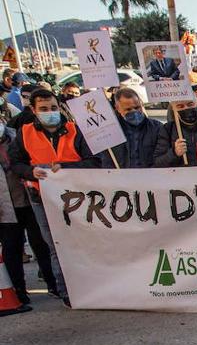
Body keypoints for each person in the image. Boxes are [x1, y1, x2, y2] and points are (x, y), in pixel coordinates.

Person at [9, 88, 99, 303]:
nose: (50, 112)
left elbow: (93, 161)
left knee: (85, 243)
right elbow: (16, 163)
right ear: (33, 110)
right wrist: (31, 172)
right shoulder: (25, 133)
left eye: (53, 108)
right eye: (44, 109)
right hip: (42, 198)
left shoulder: (75, 131)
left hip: (78, 198)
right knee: (56, 245)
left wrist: (66, 168)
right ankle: (67, 291)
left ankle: (93, 286)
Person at [0, 114, 57, 305]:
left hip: (30, 200)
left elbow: (21, 164)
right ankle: (18, 291)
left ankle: (53, 284)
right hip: (5, 208)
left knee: (43, 244)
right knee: (12, 249)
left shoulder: (17, 137)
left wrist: (29, 173)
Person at [108, 87, 160, 168]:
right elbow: (106, 160)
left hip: (150, 177)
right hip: (121, 178)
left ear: (141, 104)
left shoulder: (156, 127)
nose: (134, 112)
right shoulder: (109, 131)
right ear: (118, 108)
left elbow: (162, 157)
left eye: (137, 107)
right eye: (128, 109)